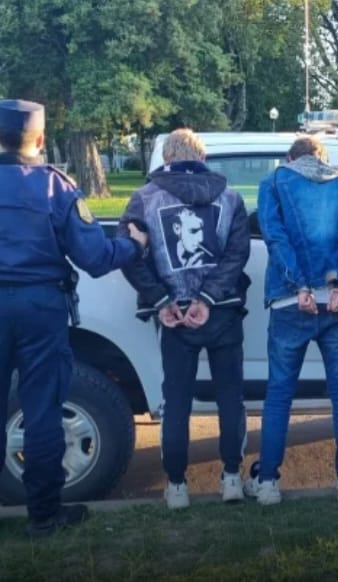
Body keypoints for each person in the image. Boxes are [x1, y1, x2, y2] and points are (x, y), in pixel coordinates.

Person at [0, 99, 148, 538]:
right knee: (42, 410)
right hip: (42, 310)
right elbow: (94, 257)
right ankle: (43, 514)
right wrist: (134, 245)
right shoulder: (57, 187)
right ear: (40, 139)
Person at [118, 128, 251, 509]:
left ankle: (176, 485)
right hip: (222, 311)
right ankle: (231, 478)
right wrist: (207, 299)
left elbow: (130, 256)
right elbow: (236, 255)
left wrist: (161, 300)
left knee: (176, 402)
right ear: (203, 158)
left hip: (174, 316)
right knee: (230, 398)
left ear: (167, 158)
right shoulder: (230, 197)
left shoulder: (144, 198)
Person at [242, 136, 338, 505]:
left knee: (279, 394)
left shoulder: (274, 182)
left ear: (290, 158)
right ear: (321, 158)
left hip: (289, 301)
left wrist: (299, 284)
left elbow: (275, 238)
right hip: (337, 301)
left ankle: (268, 482)